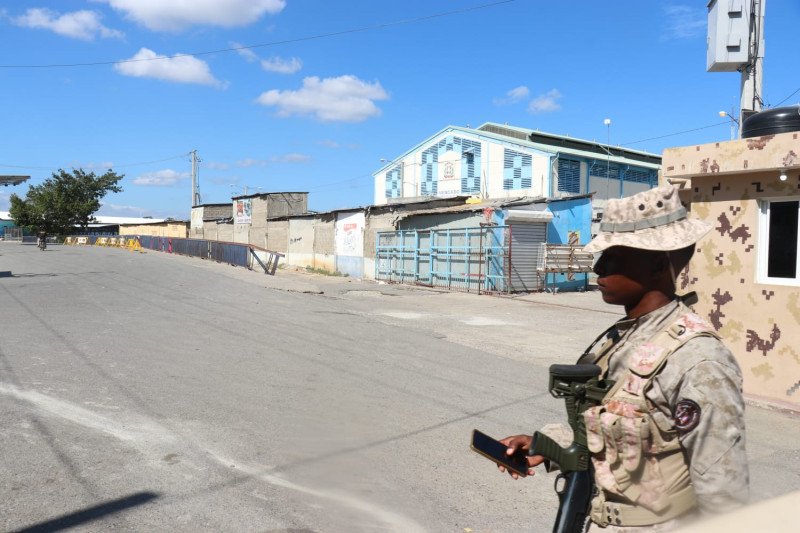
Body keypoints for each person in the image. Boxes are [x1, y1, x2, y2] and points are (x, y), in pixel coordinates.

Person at [498, 184, 748, 532]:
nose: (598, 267)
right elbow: (616, 431)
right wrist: (546, 443)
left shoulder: (698, 360)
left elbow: (723, 495)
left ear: (659, 263)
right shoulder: (624, 335)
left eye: (613, 256)